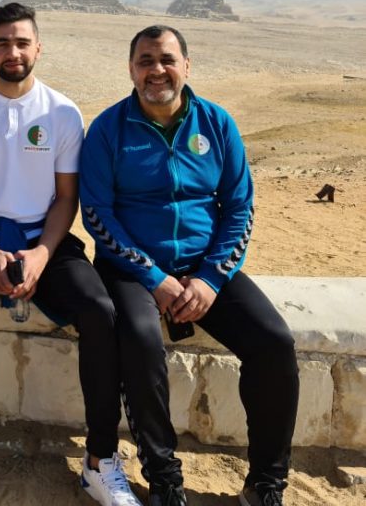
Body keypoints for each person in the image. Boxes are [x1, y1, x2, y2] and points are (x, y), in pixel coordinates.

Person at [0, 2, 141, 505]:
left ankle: (100, 458)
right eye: (3, 42)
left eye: (22, 42)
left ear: (38, 48)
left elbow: (66, 198)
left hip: (46, 234)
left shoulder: (62, 112)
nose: (13, 51)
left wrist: (42, 255)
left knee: (99, 309)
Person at [79, 25, 299, 506]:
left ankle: (265, 482)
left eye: (167, 59)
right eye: (145, 61)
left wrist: (211, 278)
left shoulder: (216, 123)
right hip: (131, 268)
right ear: (131, 69)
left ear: (186, 65)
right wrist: (154, 277)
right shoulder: (108, 129)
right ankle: (163, 476)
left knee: (274, 343)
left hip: (205, 266)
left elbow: (239, 208)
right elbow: (97, 214)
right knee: (140, 338)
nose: (156, 70)